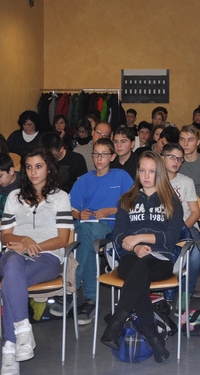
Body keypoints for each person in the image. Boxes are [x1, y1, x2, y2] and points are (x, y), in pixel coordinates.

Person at [99, 151, 184, 363]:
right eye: (142, 170)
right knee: (139, 275)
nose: (146, 175)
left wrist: (139, 238)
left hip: (161, 259)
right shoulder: (127, 199)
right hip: (131, 257)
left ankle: (116, 323)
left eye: (152, 171)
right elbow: (117, 233)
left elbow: (172, 237)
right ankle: (154, 339)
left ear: (160, 173)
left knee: (142, 269)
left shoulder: (171, 200)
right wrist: (135, 247)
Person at [0, 146, 73, 375]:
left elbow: (62, 239)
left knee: (10, 282)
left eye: (38, 166)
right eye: (28, 167)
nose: (33, 172)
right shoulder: (14, 196)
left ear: (48, 168)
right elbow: (5, 235)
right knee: (11, 266)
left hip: (47, 257)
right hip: (14, 254)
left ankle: (9, 350)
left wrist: (34, 246)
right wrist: (23, 239)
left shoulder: (61, 198)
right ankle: (22, 331)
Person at [69, 138, 133, 326]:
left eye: (104, 154)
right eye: (96, 154)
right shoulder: (84, 180)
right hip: (85, 226)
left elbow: (133, 204)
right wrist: (79, 214)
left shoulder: (120, 176)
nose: (99, 158)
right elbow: (69, 209)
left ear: (112, 156)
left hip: (110, 226)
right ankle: (89, 300)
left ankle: (72, 282)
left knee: (86, 234)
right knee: (86, 235)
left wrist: (110, 210)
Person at [162, 143, 200, 300]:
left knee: (196, 251)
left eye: (179, 159)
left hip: (187, 226)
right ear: (161, 158)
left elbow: (195, 212)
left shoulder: (186, 182)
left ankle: (186, 294)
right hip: (161, 228)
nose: (176, 162)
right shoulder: (152, 180)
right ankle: (163, 288)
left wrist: (180, 229)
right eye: (172, 157)